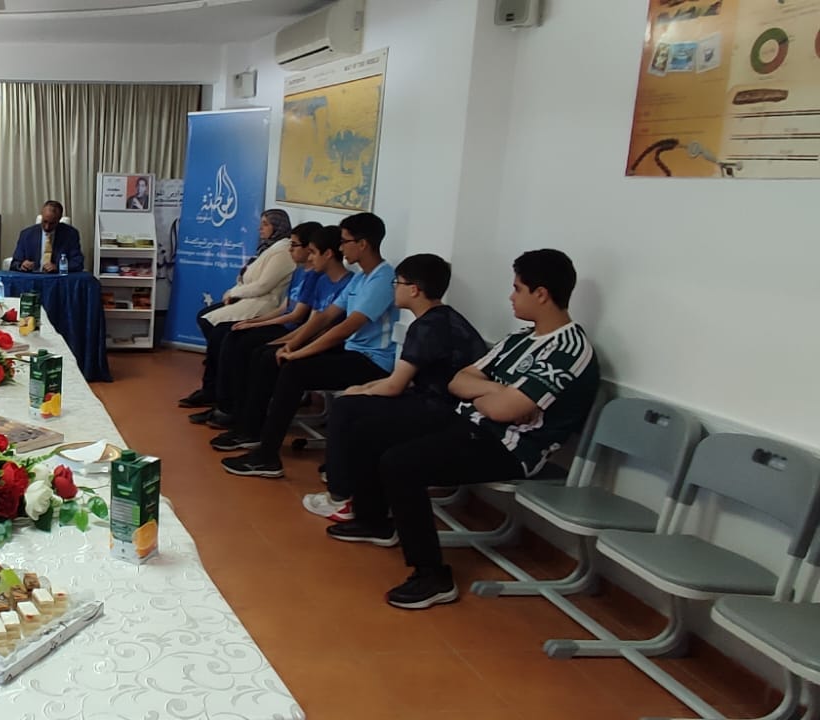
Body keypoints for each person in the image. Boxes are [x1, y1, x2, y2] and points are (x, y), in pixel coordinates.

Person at [327, 249, 600, 610]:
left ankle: (433, 576)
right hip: (469, 422)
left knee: (400, 463)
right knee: (370, 425)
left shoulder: (569, 349)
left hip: (510, 448)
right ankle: (374, 521)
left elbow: (503, 410)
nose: (510, 296)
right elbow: (459, 380)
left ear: (541, 294)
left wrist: (492, 396)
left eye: (517, 289)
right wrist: (498, 393)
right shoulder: (519, 339)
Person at [301, 254, 488, 522]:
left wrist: (358, 391)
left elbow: (395, 386)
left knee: (347, 408)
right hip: (437, 401)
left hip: (442, 410)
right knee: (353, 404)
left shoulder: (427, 326)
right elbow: (406, 378)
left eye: (397, 283)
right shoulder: (445, 318)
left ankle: (340, 496)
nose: (393, 289)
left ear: (414, 289)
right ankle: (353, 492)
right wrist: (364, 387)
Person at [216, 213, 399, 477]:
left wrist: (299, 353)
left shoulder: (382, 279)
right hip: (352, 352)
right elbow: (325, 317)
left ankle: (267, 456)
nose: (341, 248)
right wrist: (292, 345)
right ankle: (252, 432)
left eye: (345, 241)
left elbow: (345, 328)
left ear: (363, 244)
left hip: (373, 362)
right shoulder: (362, 278)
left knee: (294, 370)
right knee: (274, 358)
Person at [200, 225, 347, 430]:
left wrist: (281, 340)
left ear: (325, 253)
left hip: (295, 331)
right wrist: (253, 322)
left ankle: (241, 414)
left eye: (296, 246)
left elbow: (303, 318)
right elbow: (286, 308)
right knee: (232, 334)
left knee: (250, 349)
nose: (290, 250)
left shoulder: (322, 279)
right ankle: (225, 403)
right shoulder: (303, 273)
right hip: (291, 328)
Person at [180, 210, 296, 411]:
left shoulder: (283, 251)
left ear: (278, 227)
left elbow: (263, 286)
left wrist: (234, 292)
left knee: (219, 332)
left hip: (262, 304)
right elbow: (247, 277)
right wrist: (235, 291)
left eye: (265, 224)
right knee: (206, 320)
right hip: (248, 299)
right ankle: (214, 381)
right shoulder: (267, 247)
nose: (260, 228)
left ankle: (216, 388)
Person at [9, 201, 84, 273]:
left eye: (52, 223)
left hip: (57, 278)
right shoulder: (27, 234)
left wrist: (58, 267)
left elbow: (78, 263)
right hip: (32, 277)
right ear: (42, 215)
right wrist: (22, 265)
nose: (47, 227)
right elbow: (15, 263)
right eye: (44, 221)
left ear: (59, 219)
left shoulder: (70, 234)